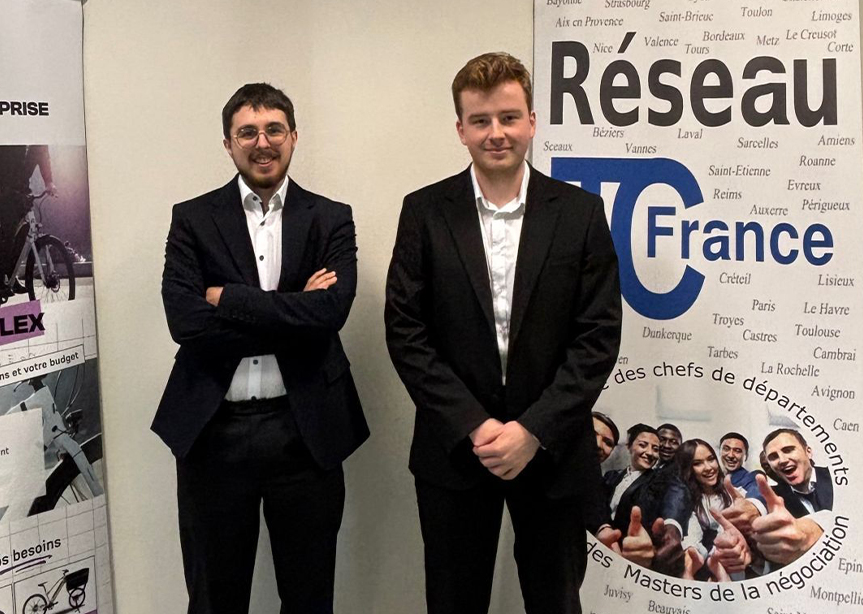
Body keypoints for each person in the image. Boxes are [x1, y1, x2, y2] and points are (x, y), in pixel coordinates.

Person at [385, 52, 622, 614]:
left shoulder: (581, 213)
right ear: (461, 129)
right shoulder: (423, 211)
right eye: (481, 120)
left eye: (509, 117)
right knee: (453, 602)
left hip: (554, 450)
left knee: (555, 601)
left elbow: (597, 337)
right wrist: (476, 425)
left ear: (531, 122)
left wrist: (533, 431)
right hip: (454, 451)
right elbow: (406, 331)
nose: (497, 133)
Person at [154, 83, 368, 614]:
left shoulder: (330, 217)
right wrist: (295, 310)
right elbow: (187, 323)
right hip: (213, 435)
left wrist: (228, 299)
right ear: (228, 143)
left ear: (293, 137)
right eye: (247, 132)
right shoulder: (192, 218)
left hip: (305, 431)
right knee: (214, 599)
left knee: (309, 597)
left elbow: (330, 314)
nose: (262, 142)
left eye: (274, 129)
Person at [600, 424, 692, 576]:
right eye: (643, 445)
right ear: (629, 446)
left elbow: (676, 495)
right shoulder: (611, 477)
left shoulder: (662, 480)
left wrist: (672, 528)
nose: (649, 453)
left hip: (631, 561)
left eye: (655, 449)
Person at [0, 145, 56, 297]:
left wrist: (49, 182)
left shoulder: (35, 137)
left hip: (20, 186)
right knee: (9, 223)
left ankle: (11, 273)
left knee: (25, 227)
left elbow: (42, 153)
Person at [751, 429, 832, 566]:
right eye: (773, 457)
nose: (782, 460)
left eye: (788, 450)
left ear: (808, 452)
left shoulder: (838, 479)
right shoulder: (774, 497)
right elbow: (755, 505)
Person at [675, 439, 752, 580]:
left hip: (732, 563)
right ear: (687, 469)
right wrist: (692, 554)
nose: (708, 467)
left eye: (711, 459)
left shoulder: (734, 492)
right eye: (698, 463)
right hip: (704, 564)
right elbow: (692, 532)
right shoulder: (687, 498)